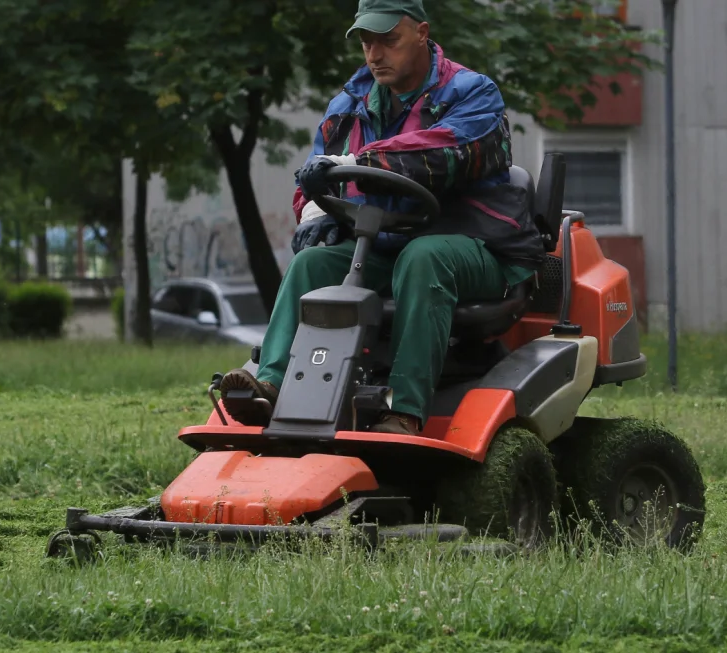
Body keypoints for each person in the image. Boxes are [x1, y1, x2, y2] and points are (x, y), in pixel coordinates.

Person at [218, 0, 545, 435]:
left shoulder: (473, 93)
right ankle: (271, 386)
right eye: (368, 43)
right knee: (312, 263)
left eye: (389, 41)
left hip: (476, 251)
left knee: (424, 257)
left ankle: (405, 412)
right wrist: (316, 209)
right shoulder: (349, 105)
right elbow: (315, 176)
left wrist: (366, 161)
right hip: (386, 250)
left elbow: (447, 151)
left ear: (422, 33)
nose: (375, 55)